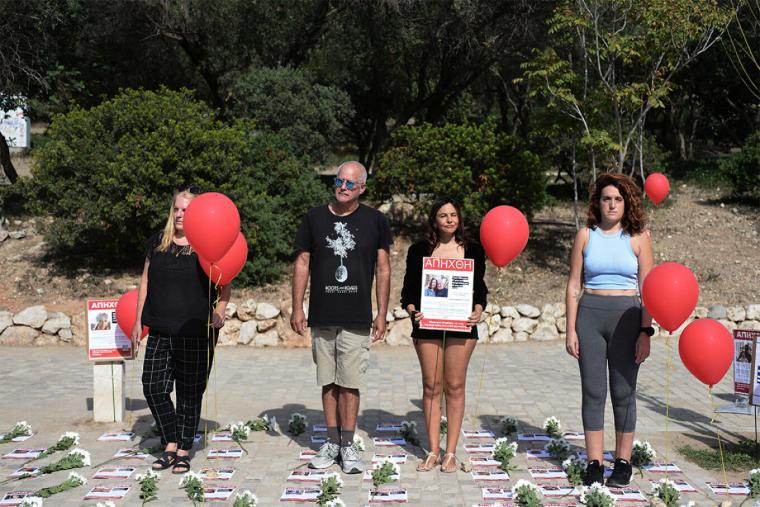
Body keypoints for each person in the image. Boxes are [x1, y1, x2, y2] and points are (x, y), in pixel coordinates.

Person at [291, 161, 392, 474]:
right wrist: (297, 307)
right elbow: (302, 263)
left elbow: (383, 269)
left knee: (350, 384)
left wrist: (381, 313)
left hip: (357, 316)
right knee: (328, 382)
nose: (343, 187)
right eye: (339, 181)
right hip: (323, 314)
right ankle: (331, 442)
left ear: (362, 188)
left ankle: (348, 446)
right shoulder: (314, 218)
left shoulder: (376, 220)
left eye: (350, 183)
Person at [132, 188, 231, 474]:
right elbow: (145, 281)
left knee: (189, 392)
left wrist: (221, 310)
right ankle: (171, 438)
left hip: (194, 330)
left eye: (185, 210)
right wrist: (138, 321)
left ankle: (182, 449)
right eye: (176, 209)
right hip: (160, 328)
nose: (179, 214)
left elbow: (226, 282)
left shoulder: (206, 245)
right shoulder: (157, 242)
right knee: (153, 387)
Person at [565, 173, 654, 487]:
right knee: (593, 391)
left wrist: (645, 332)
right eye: (606, 199)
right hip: (589, 317)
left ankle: (623, 462)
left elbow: (649, 290)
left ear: (626, 202)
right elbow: (573, 285)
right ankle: (594, 462)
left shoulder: (639, 237)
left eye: (618, 199)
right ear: (598, 203)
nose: (612, 204)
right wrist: (570, 329)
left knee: (623, 392)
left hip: (628, 318)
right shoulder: (585, 236)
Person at [400, 196, 487, 473]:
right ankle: (433, 451)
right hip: (428, 324)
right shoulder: (418, 250)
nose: (449, 220)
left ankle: (450, 453)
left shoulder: (473, 250)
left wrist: (478, 309)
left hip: (461, 324)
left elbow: (480, 289)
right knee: (431, 387)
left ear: (459, 218)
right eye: (443, 215)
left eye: (453, 215)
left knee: (455, 386)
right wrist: (413, 310)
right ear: (434, 220)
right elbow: (408, 291)